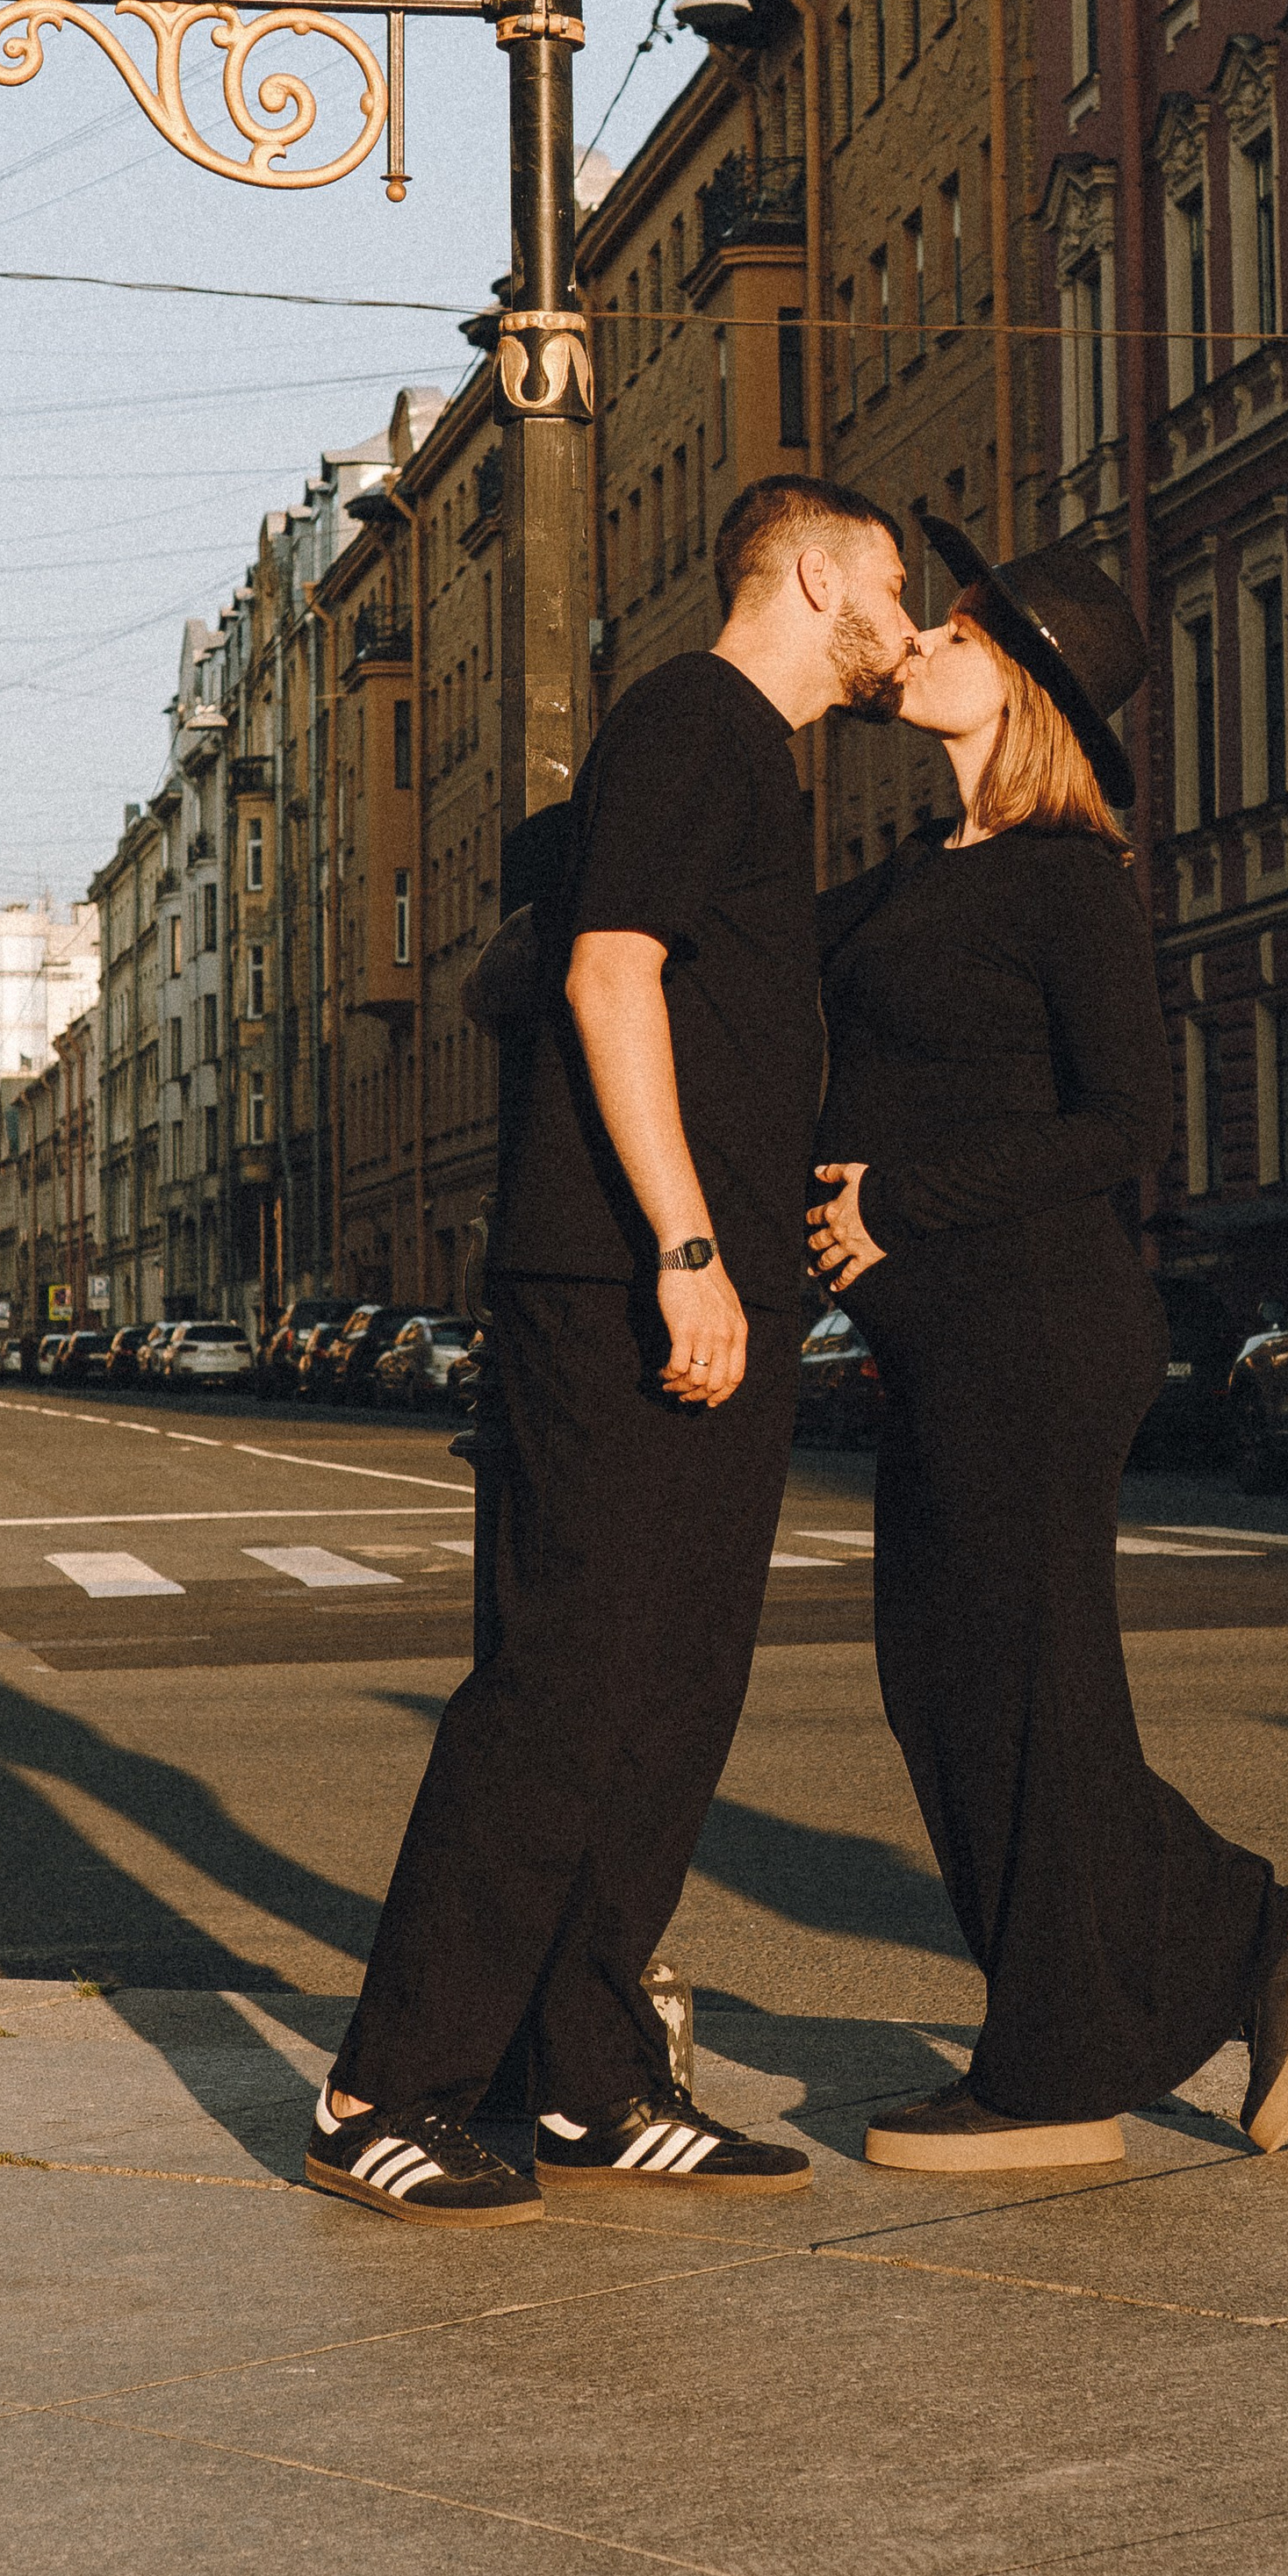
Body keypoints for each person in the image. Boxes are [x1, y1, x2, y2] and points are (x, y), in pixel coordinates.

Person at [307, 472, 913, 2228]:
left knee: (671, 1697)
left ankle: (585, 2077)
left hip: (705, 1294)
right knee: (562, 1690)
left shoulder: (755, 767)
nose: (898, 615)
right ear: (812, 571)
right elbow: (604, 976)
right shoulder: (691, 722)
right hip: (620, 1285)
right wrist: (683, 1245)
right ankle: (385, 2088)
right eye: (888, 579)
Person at [806, 516, 1288, 2171]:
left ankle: (1061, 2068)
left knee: (1027, 1689)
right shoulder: (923, 874)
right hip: (945, 1345)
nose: (920, 643)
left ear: (1027, 691)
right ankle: (1254, 1932)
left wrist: (906, 1199)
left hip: (1036, 1332)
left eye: (958, 634)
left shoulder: (1067, 874)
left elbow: (1127, 1122)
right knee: (953, 1686)